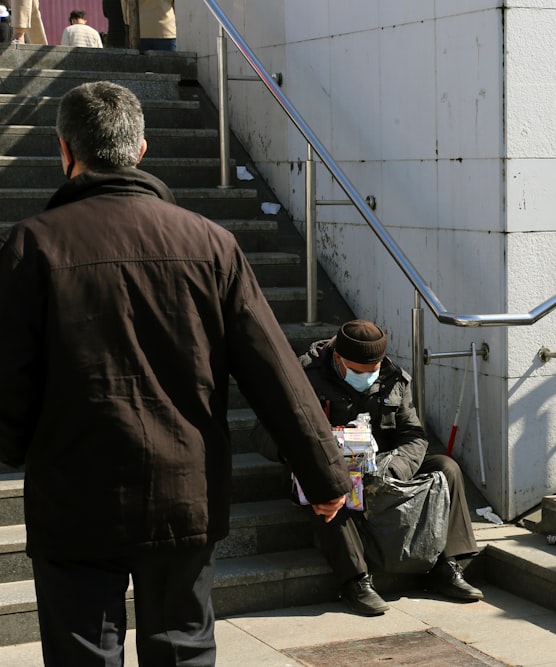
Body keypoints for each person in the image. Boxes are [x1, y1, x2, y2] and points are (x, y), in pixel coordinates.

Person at [0, 81, 352, 666]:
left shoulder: (30, 246)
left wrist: (14, 446)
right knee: (182, 647)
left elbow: (9, 375)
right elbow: (273, 369)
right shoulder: (210, 243)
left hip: (73, 491)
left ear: (65, 151)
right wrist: (324, 475)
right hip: (183, 489)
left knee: (82, 649)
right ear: (141, 150)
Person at [253, 320, 484, 616]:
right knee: (329, 484)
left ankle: (447, 566)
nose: (367, 376)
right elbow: (263, 432)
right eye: (359, 370)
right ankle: (356, 581)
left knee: (445, 467)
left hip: (382, 467)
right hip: (326, 468)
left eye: (372, 369)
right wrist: (305, 454)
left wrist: (394, 470)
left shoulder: (394, 379)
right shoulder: (303, 375)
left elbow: (413, 435)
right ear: (338, 358)